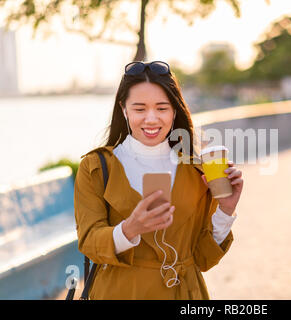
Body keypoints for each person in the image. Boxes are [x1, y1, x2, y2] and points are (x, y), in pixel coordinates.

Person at [74, 61, 244, 299]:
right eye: (139, 109)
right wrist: (129, 229)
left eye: (162, 108)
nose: (151, 119)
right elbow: (89, 242)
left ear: (175, 110)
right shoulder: (96, 168)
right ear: (124, 109)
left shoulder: (196, 170)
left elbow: (203, 258)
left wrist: (225, 210)